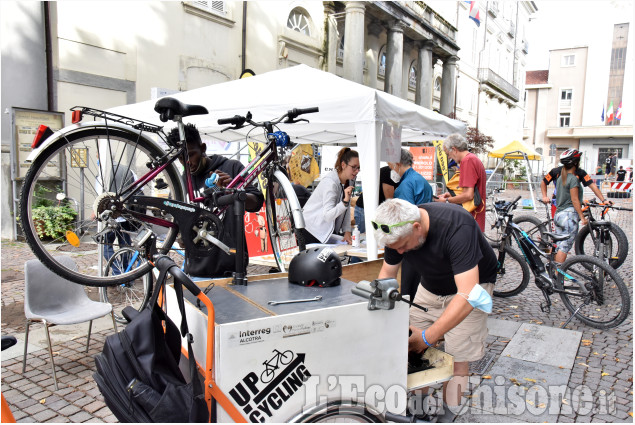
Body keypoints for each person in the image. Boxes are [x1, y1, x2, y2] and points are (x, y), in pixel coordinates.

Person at [374, 198, 497, 421]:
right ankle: (417, 410)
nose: (400, 252)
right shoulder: (394, 232)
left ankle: (448, 414)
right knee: (413, 351)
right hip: (430, 286)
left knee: (457, 358)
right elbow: (387, 274)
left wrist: (428, 337)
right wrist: (380, 315)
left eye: (403, 245)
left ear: (416, 227)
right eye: (395, 248)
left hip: (472, 289)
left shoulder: (457, 226)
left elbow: (467, 293)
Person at [167, 124, 264, 278]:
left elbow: (256, 203)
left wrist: (234, 191)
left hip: (232, 271)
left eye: (191, 155)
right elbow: (176, 222)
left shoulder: (231, 167)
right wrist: (181, 237)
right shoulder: (180, 183)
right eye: (181, 158)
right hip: (195, 272)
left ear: (203, 148)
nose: (187, 162)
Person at [388, 148, 433, 304]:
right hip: (425, 236)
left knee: (409, 286)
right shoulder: (421, 180)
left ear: (397, 163)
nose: (390, 169)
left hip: (412, 240)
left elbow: (403, 220)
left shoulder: (405, 185)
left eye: (390, 165)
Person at [300, 148, 359, 244]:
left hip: (322, 231)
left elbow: (346, 208)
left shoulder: (349, 180)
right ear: (343, 165)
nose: (357, 171)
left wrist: (347, 231)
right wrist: (344, 202)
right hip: (310, 230)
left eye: (358, 168)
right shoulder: (330, 183)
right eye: (354, 167)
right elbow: (328, 215)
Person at [435, 133, 487, 232]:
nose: (449, 158)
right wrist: (451, 194)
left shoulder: (467, 161)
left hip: (471, 217)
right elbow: (472, 190)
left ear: (454, 149)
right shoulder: (472, 158)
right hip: (475, 217)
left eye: (448, 154)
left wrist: (447, 201)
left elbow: (468, 195)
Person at [551, 149, 589, 264]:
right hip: (568, 216)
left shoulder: (561, 178)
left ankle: (555, 273)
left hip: (559, 215)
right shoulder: (573, 179)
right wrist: (582, 217)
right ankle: (559, 276)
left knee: (559, 245)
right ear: (576, 163)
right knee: (565, 247)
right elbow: (574, 199)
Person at [541, 156, 609, 207]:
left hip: (573, 204)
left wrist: (603, 200)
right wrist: (544, 196)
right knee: (558, 224)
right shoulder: (555, 171)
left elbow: (592, 186)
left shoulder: (581, 172)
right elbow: (544, 182)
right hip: (557, 203)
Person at [354, 165, 399, 234]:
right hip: (365, 209)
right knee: (362, 238)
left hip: (374, 210)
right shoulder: (389, 171)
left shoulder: (396, 173)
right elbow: (389, 200)